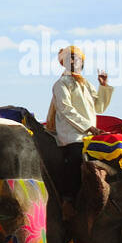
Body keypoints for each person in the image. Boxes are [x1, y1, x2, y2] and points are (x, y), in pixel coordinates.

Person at [48, 45, 113, 206]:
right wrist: (89, 127)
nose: (73, 60)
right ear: (63, 62)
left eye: (76, 58)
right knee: (76, 159)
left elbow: (99, 107)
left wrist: (103, 87)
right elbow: (66, 110)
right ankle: (67, 201)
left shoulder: (87, 84)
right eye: (69, 58)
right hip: (72, 135)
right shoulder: (61, 84)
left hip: (90, 134)